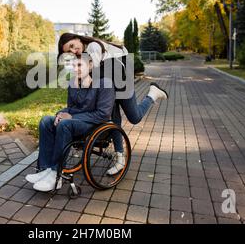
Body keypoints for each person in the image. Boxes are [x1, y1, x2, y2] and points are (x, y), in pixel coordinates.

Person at [57, 33, 168, 175]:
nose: (73, 51)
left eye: (72, 46)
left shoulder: (92, 47)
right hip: (108, 84)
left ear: (77, 38)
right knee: (114, 120)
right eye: (68, 51)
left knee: (134, 117)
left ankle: (153, 94)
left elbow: (92, 76)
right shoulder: (83, 53)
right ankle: (120, 158)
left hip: (121, 80)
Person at [26, 54, 115, 192]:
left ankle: (56, 173)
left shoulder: (104, 84)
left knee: (64, 124)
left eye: (79, 65)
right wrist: (60, 114)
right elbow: (71, 108)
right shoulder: (73, 83)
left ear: (90, 65)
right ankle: (45, 169)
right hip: (76, 121)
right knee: (46, 121)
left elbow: (103, 114)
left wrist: (71, 117)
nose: (75, 69)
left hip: (95, 124)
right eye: (73, 66)